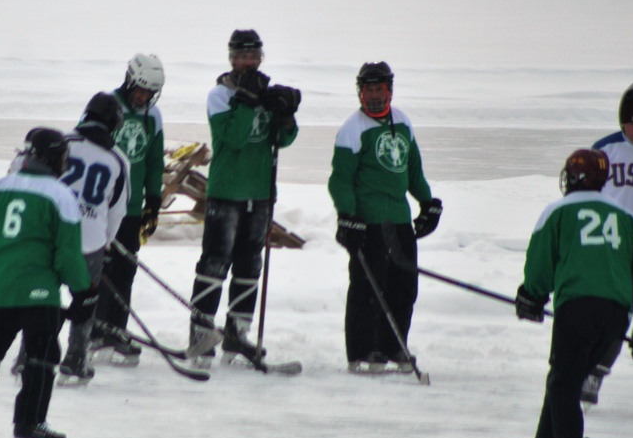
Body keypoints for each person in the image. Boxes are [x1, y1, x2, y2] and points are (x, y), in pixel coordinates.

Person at [498, 148, 633, 438]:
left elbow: (540, 259)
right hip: (615, 314)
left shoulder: (557, 210)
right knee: (565, 380)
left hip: (577, 308)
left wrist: (532, 294)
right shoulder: (627, 215)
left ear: (571, 178)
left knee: (562, 382)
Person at [0, 128, 95, 438]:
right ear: (52, 158)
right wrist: (83, 292)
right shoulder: (60, 195)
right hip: (39, 292)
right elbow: (67, 255)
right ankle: (29, 425)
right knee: (42, 355)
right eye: (62, 156)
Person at [187, 29, 300, 368]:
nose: (248, 62)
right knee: (215, 263)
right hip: (226, 192)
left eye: (254, 56)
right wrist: (248, 101)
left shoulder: (264, 91)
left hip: (261, 193)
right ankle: (201, 335)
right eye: (241, 56)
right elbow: (234, 138)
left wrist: (286, 114)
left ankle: (238, 335)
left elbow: (284, 140)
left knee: (250, 265)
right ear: (231, 58)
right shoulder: (219, 95)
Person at [328, 61, 442, 374]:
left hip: (400, 222)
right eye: (368, 89)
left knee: (404, 287)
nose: (374, 94)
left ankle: (395, 346)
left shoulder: (403, 122)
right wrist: (347, 217)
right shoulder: (352, 129)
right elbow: (340, 181)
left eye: (379, 88)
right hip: (368, 223)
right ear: (360, 92)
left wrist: (428, 203)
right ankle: (364, 351)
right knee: (368, 288)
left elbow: (413, 171)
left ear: (389, 90)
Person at [579, 81, 633, 404]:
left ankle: (594, 374)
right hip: (605, 244)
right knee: (596, 310)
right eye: (630, 123)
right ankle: (582, 365)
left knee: (620, 312)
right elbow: (582, 194)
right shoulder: (605, 149)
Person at [93, 54, 166, 365]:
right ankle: (93, 329)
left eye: (149, 93)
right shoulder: (106, 107)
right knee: (100, 269)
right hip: (103, 207)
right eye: (140, 90)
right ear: (129, 81)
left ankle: (116, 331)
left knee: (125, 271)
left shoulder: (153, 116)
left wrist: (153, 201)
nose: (143, 97)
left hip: (131, 208)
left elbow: (153, 161)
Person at [55, 93, 129, 383]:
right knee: (85, 299)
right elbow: (117, 209)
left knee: (43, 293)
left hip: (54, 234)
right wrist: (106, 242)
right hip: (90, 239)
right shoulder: (118, 158)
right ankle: (75, 357)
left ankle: (28, 354)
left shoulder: (61, 142)